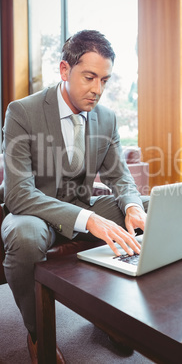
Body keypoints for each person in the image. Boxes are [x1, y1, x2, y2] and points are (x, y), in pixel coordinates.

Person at [1, 30, 149, 363]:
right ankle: (38, 331)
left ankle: (114, 315)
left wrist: (132, 206)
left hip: (83, 205)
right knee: (24, 235)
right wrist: (88, 219)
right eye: (89, 77)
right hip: (34, 214)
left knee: (152, 208)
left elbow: (119, 177)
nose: (97, 89)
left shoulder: (106, 118)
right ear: (65, 70)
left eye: (105, 80)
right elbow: (18, 193)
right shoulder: (22, 112)